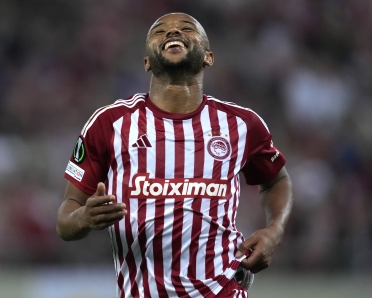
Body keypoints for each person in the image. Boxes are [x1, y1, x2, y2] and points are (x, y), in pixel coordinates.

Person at [56, 12, 293, 298]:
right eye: (160, 31)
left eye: (186, 28)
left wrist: (274, 230)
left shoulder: (242, 124)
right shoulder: (108, 123)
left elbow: (275, 180)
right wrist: (84, 217)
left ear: (208, 57)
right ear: (146, 62)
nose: (172, 32)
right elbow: (65, 219)